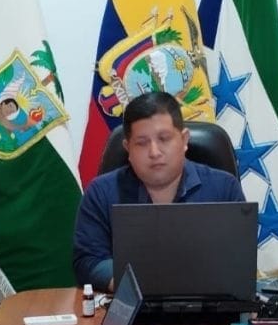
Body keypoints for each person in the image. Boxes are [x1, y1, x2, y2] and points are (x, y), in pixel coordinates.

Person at [72, 91, 245, 290]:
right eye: (142, 143)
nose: (154, 152)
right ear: (128, 148)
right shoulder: (100, 192)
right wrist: (134, 284)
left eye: (164, 139)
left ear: (184, 140)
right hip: (131, 302)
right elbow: (88, 261)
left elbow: (240, 259)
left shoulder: (224, 188)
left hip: (209, 303)